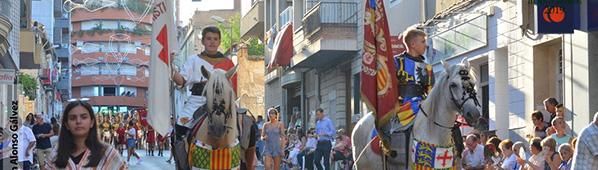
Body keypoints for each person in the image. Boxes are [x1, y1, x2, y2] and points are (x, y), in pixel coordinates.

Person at [171, 26, 237, 137]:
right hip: (197, 101)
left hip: (222, 104)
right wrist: (170, 66)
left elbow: (233, 90)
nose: (212, 42)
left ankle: (249, 153)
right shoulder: (193, 60)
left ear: (219, 42)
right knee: (180, 128)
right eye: (209, 38)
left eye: (215, 39)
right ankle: (182, 154)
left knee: (247, 125)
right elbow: (181, 81)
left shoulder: (228, 63)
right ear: (203, 41)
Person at [377, 27, 435, 155]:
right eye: (423, 41)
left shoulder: (427, 67)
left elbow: (431, 91)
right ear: (413, 44)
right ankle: (389, 145)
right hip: (403, 105)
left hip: (423, 103)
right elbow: (387, 86)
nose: (425, 45)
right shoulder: (397, 62)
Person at [44, 101, 126, 170]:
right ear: (66, 124)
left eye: (84, 117)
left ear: (92, 122)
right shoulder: (56, 155)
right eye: (73, 118)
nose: (78, 121)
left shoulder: (107, 154)